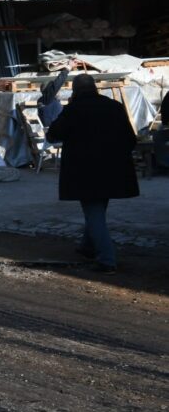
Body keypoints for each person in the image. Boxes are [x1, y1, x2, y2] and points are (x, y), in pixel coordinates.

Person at [46, 74, 138, 273]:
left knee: (94, 213)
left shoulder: (74, 110)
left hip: (85, 172)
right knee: (97, 210)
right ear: (94, 87)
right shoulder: (114, 107)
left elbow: (53, 135)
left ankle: (107, 260)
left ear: (75, 90)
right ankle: (87, 247)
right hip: (113, 170)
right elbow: (131, 139)